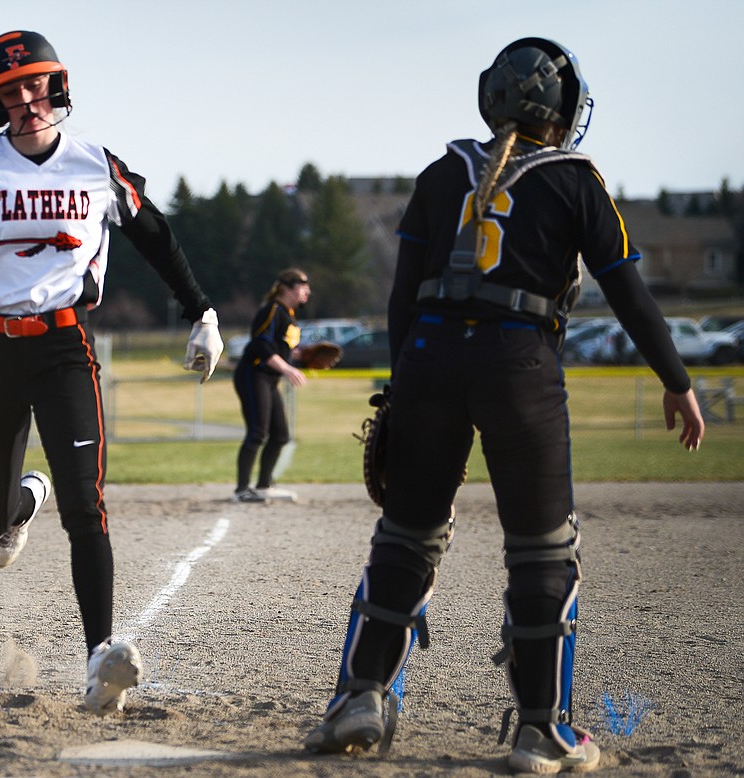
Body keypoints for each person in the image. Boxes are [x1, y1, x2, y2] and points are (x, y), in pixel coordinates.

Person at [304, 38, 704, 773]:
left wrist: (402, 391)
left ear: (489, 99)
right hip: (518, 364)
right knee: (543, 549)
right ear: (564, 112)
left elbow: (402, 301)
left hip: (428, 359)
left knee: (406, 535)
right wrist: (677, 380)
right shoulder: (578, 182)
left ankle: (359, 698)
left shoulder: (437, 175)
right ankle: (541, 731)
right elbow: (629, 294)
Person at [0, 30, 223, 717]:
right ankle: (17, 506)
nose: (26, 99)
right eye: (11, 91)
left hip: (66, 346)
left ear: (56, 87)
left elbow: (156, 237)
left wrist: (203, 312)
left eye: (35, 85)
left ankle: (101, 662)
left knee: (87, 509)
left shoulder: (97, 164)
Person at [231, 268, 310, 503]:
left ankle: (264, 484)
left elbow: (281, 349)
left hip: (268, 378)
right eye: (302, 285)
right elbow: (261, 346)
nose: (307, 290)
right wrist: (286, 368)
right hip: (252, 374)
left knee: (280, 435)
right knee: (258, 432)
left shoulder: (289, 314)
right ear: (287, 288)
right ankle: (242, 489)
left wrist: (300, 358)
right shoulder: (272, 311)